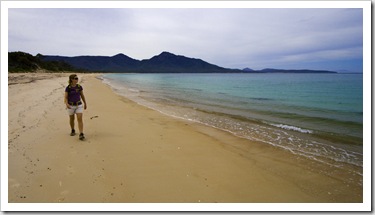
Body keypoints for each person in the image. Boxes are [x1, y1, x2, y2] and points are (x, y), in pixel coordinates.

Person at [64, 74, 87, 140]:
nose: (77, 79)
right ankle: (73, 129)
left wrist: (85, 103)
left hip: (79, 105)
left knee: (80, 119)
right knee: (72, 119)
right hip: (70, 106)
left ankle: (81, 133)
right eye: (75, 78)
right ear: (72, 79)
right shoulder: (68, 88)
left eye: (77, 78)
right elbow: (65, 97)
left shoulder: (79, 87)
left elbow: (82, 95)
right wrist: (66, 104)